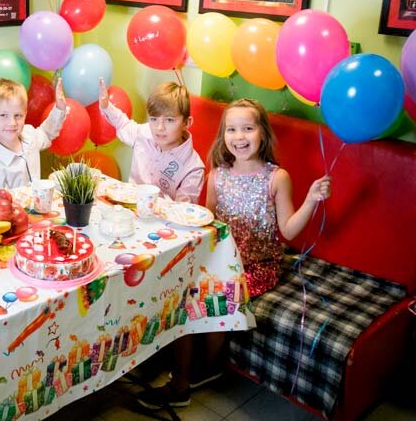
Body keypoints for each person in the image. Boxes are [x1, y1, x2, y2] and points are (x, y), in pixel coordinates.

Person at [137, 98, 330, 409]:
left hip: (257, 265)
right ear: (223, 135)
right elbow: (208, 224)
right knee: (177, 286)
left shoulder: (276, 177)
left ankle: (190, 378)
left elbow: (289, 231)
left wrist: (310, 200)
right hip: (219, 259)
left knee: (210, 295)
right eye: (231, 129)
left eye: (248, 129)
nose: (239, 137)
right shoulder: (217, 174)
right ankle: (173, 364)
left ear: (262, 133)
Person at [97, 79, 204, 202]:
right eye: (154, 119)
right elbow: (123, 124)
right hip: (127, 207)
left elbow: (183, 210)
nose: (160, 127)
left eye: (169, 120)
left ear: (186, 123)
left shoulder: (193, 168)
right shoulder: (143, 133)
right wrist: (106, 106)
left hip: (160, 214)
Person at [0, 77, 66, 191]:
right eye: (3, 115)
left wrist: (59, 108)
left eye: (18, 115)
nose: (12, 123)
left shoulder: (29, 134)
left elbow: (46, 133)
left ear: (25, 114)